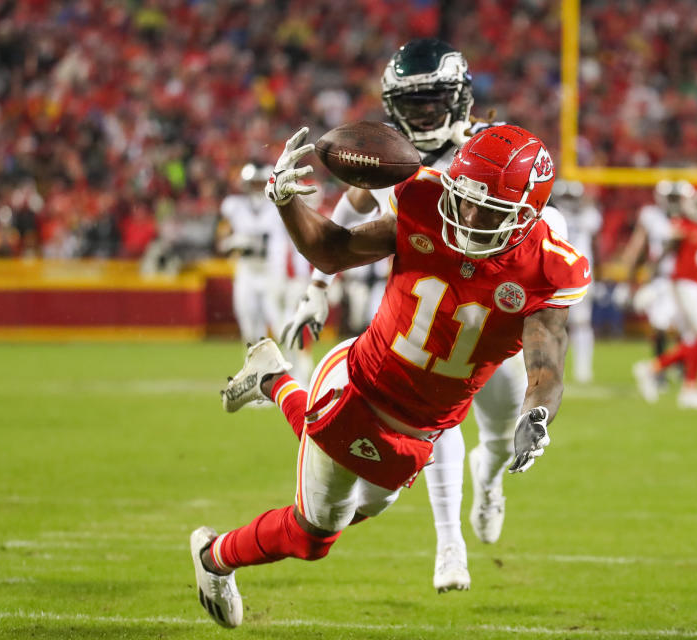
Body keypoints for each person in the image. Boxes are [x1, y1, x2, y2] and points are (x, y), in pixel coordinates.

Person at [188, 123, 591, 628]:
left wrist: (537, 414)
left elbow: (546, 363)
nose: (466, 214)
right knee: (316, 537)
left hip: (424, 427)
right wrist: (288, 201)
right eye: (463, 197)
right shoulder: (425, 202)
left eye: (486, 207)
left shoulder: (548, 267)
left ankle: (273, 378)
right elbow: (334, 249)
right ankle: (214, 558)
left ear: (527, 215)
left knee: (358, 509)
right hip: (361, 387)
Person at [277, 38, 567, 593]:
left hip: (490, 319)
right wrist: (317, 285)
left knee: (502, 438)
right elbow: (350, 209)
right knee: (439, 421)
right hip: (424, 313)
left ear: (459, 99)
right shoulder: (393, 153)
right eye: (411, 107)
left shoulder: (494, 151)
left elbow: (539, 219)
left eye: (432, 104)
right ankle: (450, 546)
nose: (421, 117)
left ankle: (488, 483)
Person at [215, 163, 313, 382]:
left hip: (273, 273)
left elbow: (296, 242)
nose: (258, 186)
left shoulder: (280, 204)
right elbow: (221, 240)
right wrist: (232, 242)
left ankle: (299, 375)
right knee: (250, 330)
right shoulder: (234, 206)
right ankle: (259, 381)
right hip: (247, 273)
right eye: (254, 182)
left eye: (261, 181)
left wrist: (301, 274)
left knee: (282, 327)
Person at [632, 186, 697, 410]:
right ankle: (653, 369)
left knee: (693, 338)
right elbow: (666, 252)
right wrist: (649, 279)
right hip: (684, 284)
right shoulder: (682, 226)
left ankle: (689, 389)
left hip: (696, 285)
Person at [614, 180, 694, 390]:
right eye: (672, 198)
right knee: (659, 325)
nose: (675, 203)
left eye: (678, 198)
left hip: (686, 279)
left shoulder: (692, 217)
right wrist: (626, 281)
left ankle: (682, 369)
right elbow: (637, 248)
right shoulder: (652, 216)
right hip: (661, 280)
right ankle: (660, 371)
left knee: (687, 329)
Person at [553, 181, 602, 383]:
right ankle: (554, 369)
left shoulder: (589, 216)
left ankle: (583, 370)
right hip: (555, 274)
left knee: (581, 323)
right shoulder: (550, 215)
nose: (569, 202)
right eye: (566, 197)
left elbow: (596, 247)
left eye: (572, 197)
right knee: (553, 323)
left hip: (580, 274)